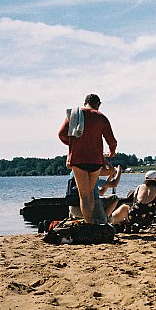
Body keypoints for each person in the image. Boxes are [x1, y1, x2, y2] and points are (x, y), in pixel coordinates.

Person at [57, 93, 117, 224]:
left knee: (83, 196)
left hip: (78, 160)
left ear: (85, 103)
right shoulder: (101, 117)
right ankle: (92, 221)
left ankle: (89, 222)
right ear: (98, 105)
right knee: (90, 194)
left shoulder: (74, 114)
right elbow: (112, 141)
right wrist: (111, 153)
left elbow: (61, 134)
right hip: (95, 160)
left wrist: (73, 144)